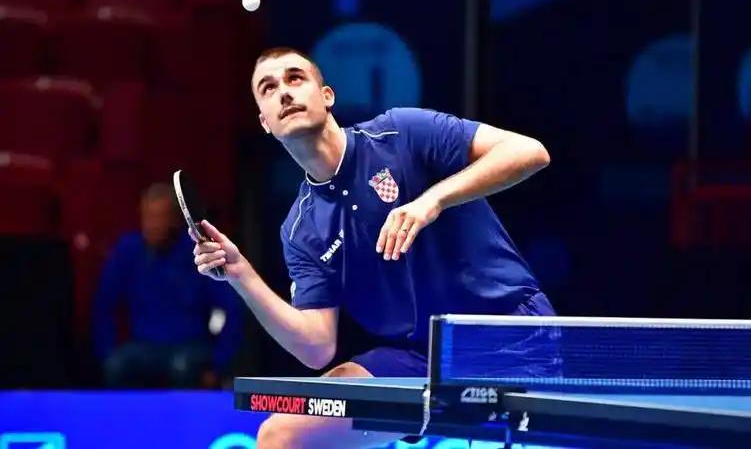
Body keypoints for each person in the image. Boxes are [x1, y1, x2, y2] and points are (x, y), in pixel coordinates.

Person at [192, 47, 555, 447]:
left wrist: (432, 200)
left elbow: (529, 152)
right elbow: (316, 347)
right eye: (268, 87)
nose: (284, 92)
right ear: (265, 121)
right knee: (283, 435)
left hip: (510, 335)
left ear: (327, 95)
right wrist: (241, 276)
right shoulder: (302, 229)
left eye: (295, 78)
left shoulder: (401, 134)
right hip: (418, 361)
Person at [93, 183, 244, 388]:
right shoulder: (127, 251)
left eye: (159, 217)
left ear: (174, 219)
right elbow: (104, 305)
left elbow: (231, 309)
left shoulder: (198, 252)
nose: (152, 225)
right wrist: (106, 351)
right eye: (148, 217)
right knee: (117, 366)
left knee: (182, 367)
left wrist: (218, 365)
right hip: (142, 346)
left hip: (189, 347)